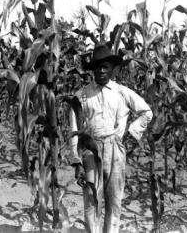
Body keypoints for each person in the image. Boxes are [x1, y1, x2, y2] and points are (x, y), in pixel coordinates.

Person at [69, 44, 153, 233]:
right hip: (90, 150)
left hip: (115, 150)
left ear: (112, 69)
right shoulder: (80, 96)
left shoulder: (121, 92)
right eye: (98, 66)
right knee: (91, 202)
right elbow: (74, 130)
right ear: (93, 70)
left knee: (114, 201)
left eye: (106, 66)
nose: (101, 70)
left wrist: (131, 135)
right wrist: (76, 162)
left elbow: (146, 112)